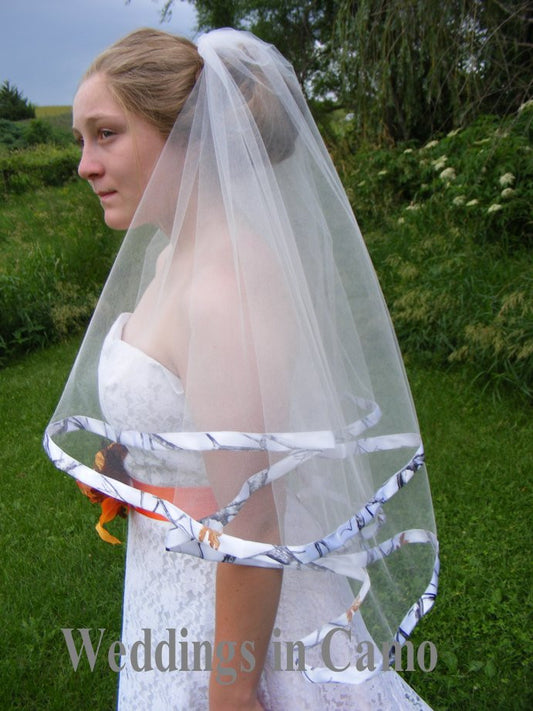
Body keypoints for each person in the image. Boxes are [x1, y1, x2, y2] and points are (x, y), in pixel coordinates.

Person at [44, 27, 439, 710]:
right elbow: (188, 413)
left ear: (187, 137)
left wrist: (231, 689)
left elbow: (254, 517)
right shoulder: (175, 256)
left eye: (106, 134)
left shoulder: (222, 287)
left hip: (231, 623)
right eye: (82, 138)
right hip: (172, 581)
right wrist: (137, 469)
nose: (85, 163)